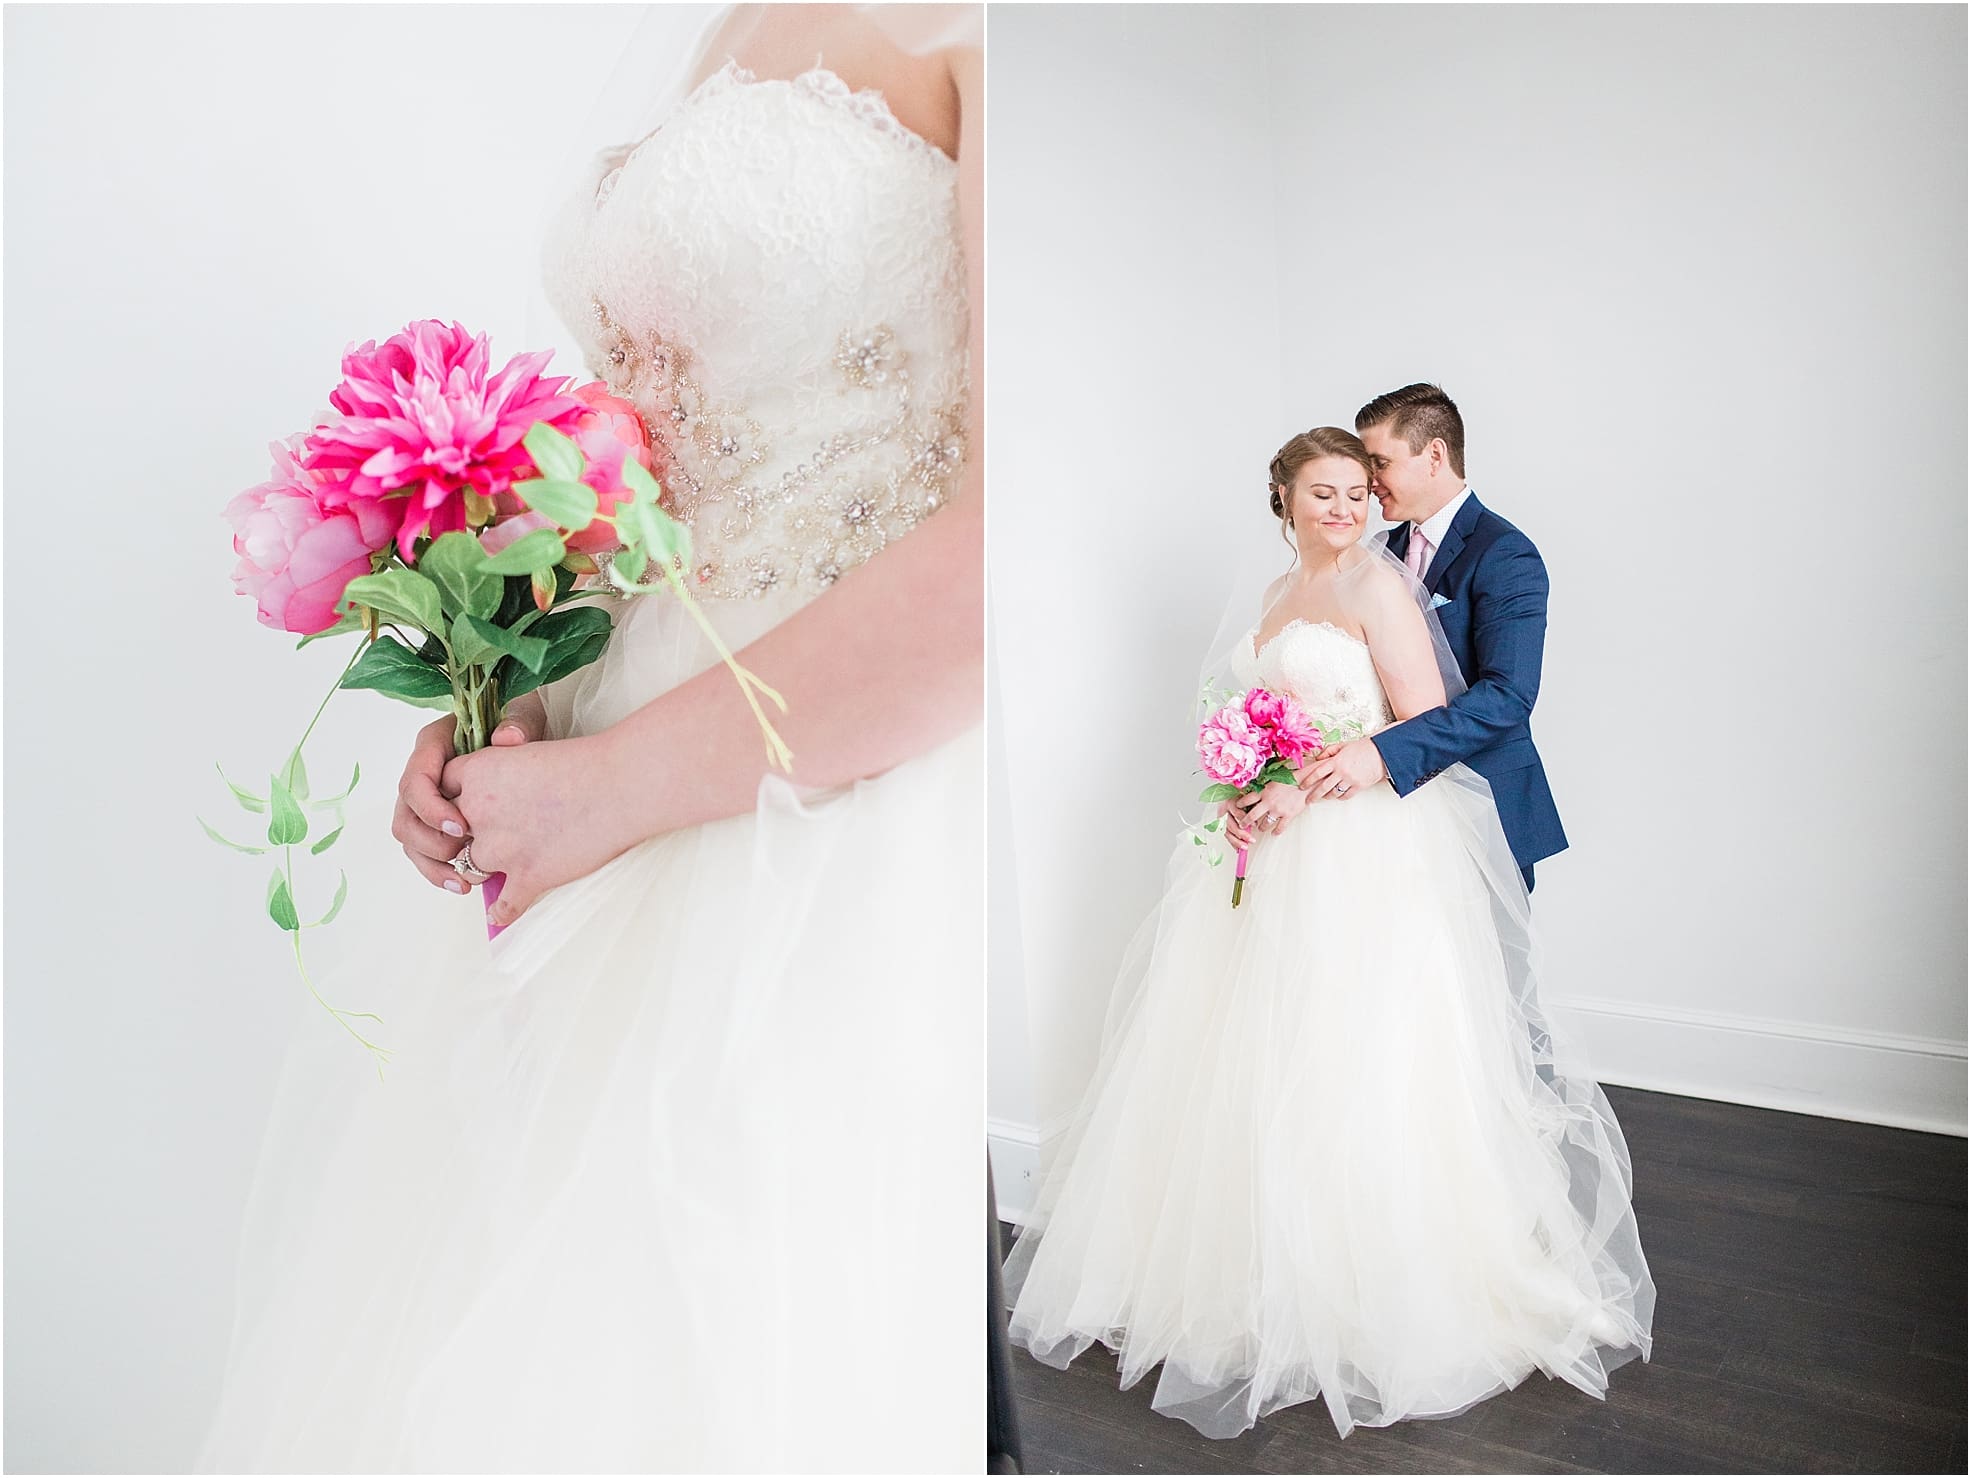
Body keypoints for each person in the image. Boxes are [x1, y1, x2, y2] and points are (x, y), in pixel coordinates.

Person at [199, 5, 984, 1470]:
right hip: (604, 751)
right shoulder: (736, 20)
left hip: (818, 797)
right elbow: (649, 451)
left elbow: (992, 566)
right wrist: (505, 690)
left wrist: (605, 788)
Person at [1002, 426, 1654, 1442]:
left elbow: (1422, 712)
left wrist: (1336, 776)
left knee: (1357, 1055)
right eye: (1324, 492)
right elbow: (1257, 716)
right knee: (1245, 1054)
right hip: (1271, 849)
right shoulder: (1271, 598)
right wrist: (1244, 786)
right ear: (1284, 497)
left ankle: (1374, 1291)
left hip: (1364, 849)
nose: (1346, 508)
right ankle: (1236, 1276)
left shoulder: (1378, 588)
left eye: (1358, 491)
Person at [1291, 384, 1564, 895]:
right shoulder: (1376, 549)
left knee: (1473, 974)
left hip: (1482, 803)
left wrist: (1381, 754)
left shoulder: (1504, 554)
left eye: (1380, 462)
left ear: (1433, 454)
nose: (1368, 482)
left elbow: (1508, 696)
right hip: (1386, 819)